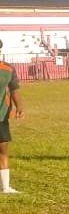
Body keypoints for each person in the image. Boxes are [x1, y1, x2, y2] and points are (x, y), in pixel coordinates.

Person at [0, 41, 25, 194]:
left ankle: (6, 187)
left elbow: (14, 89)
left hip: (1, 116)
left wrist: (19, 106)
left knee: (2, 150)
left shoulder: (8, 69)